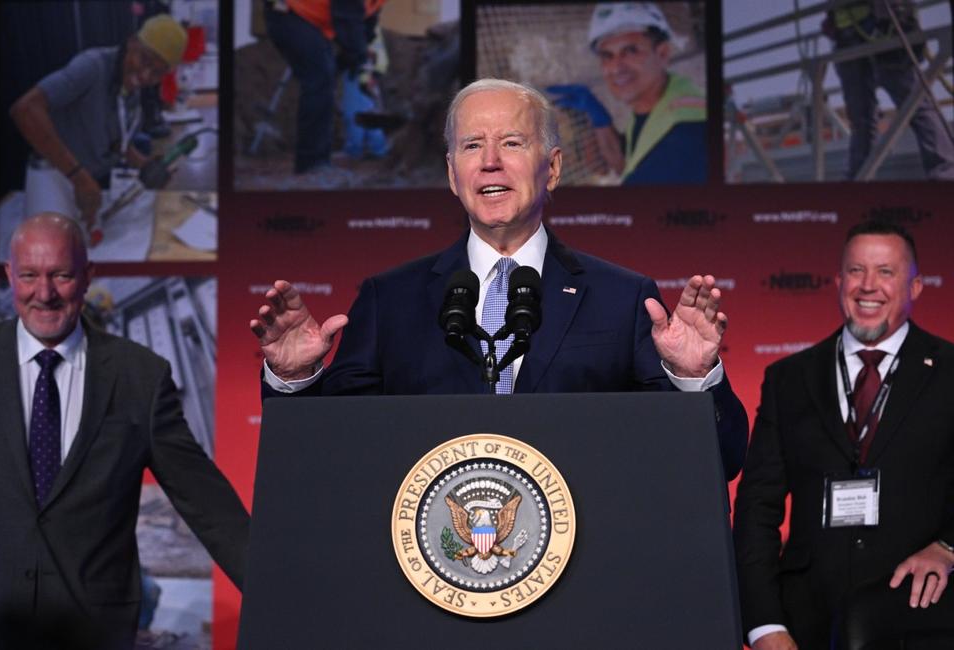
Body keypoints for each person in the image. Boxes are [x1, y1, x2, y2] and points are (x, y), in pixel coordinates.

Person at [250, 78, 747, 480]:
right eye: (472, 145)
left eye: (512, 142)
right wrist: (294, 382)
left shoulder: (622, 298)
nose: (490, 160)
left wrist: (694, 381)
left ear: (551, 168)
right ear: (452, 174)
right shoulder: (389, 300)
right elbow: (327, 459)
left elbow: (717, 463)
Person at [0, 214, 250, 650]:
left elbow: (207, 504)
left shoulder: (139, 377)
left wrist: (282, 594)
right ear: (10, 275)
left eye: (61, 275)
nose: (44, 294)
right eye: (29, 275)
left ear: (89, 276)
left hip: (93, 630)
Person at [733, 221, 954, 649]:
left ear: (917, 287)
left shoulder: (950, 372)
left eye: (886, 272)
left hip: (922, 617)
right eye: (856, 271)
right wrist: (763, 625)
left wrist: (948, 547)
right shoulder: (789, 378)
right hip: (806, 626)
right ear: (838, 281)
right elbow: (757, 509)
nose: (868, 286)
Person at [10, 14, 188, 228]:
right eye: (145, 60)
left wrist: (144, 164)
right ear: (132, 41)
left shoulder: (130, 87)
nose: (145, 75)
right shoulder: (92, 66)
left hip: (91, 188)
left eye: (157, 73)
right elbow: (25, 110)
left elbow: (115, 141)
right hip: (54, 184)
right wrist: (79, 177)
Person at [547, 2, 707, 185]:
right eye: (607, 55)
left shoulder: (686, 132)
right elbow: (624, 164)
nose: (616, 67)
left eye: (631, 51)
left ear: (663, 54)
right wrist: (600, 118)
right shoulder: (657, 104)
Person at [825, 1, 954, 180]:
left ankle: (945, 174)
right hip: (847, 32)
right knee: (861, 116)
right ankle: (859, 180)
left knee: (914, 103)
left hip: (883, 21)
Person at [263, 0, 386, 174]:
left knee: (324, 78)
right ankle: (312, 163)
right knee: (319, 78)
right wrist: (356, 52)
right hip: (289, 13)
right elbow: (346, 14)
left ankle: (318, 160)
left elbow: (368, 18)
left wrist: (359, 50)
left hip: (312, 21)